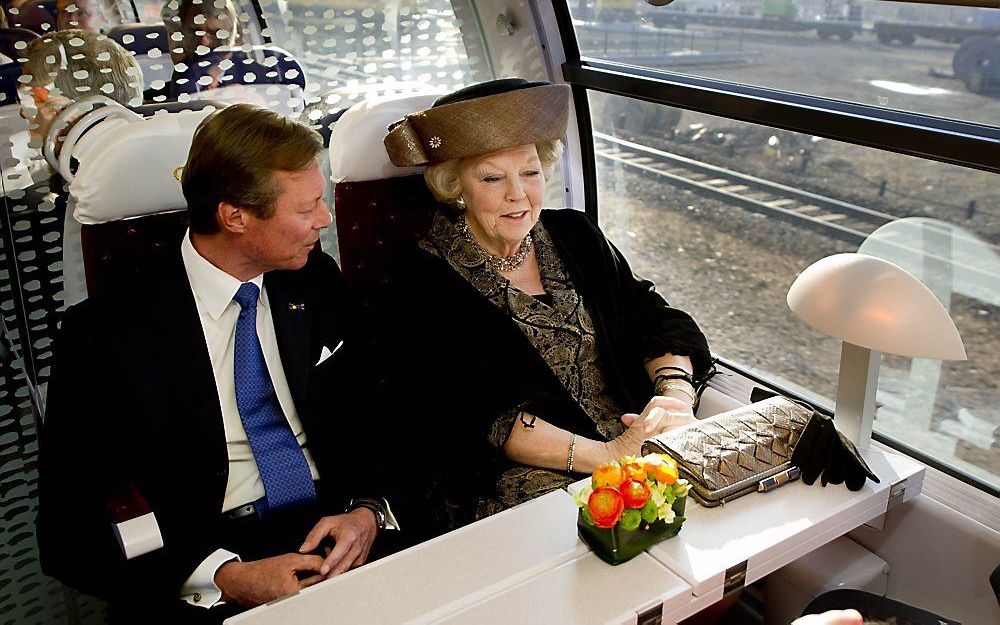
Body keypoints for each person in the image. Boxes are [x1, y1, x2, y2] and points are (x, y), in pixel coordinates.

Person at [38, 104, 394, 624]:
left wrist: (367, 509)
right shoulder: (106, 335)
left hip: (336, 527)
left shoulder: (312, 280)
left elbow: (376, 412)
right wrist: (223, 576)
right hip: (203, 555)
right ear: (235, 217)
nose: (325, 218)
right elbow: (67, 535)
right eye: (308, 207)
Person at [379, 78, 713, 539]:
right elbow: (476, 412)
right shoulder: (420, 276)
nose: (519, 194)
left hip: (634, 437)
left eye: (530, 172)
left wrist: (672, 400)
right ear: (456, 187)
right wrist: (612, 456)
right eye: (493, 178)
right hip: (515, 476)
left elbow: (653, 317)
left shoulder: (576, 234)